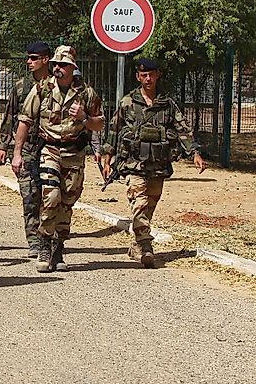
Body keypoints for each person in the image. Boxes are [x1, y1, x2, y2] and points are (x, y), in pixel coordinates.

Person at [102, 58, 206, 268]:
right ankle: (146, 246)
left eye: (151, 74)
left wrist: (194, 152)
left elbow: (182, 129)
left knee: (149, 205)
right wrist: (107, 156)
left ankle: (136, 244)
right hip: (134, 165)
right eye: (143, 75)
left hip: (158, 165)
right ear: (138, 77)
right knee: (139, 204)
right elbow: (114, 130)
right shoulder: (128, 102)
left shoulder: (167, 103)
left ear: (157, 75)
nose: (148, 79)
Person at [12, 45, 104, 273]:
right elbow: (25, 120)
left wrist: (84, 118)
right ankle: (43, 244)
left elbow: (99, 123)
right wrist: (17, 153)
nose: (58, 68)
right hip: (49, 150)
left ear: (73, 67)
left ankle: (58, 246)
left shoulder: (86, 93)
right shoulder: (41, 89)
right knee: (50, 196)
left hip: (74, 153)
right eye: (55, 64)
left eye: (63, 65)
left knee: (67, 201)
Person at [0, 41, 51, 257]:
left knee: (49, 195)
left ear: (45, 60)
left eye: (34, 58)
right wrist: (3, 146)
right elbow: (10, 117)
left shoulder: (55, 86)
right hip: (26, 147)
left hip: (50, 147)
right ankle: (34, 241)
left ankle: (48, 237)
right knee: (29, 196)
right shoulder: (21, 87)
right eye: (28, 58)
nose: (29, 62)